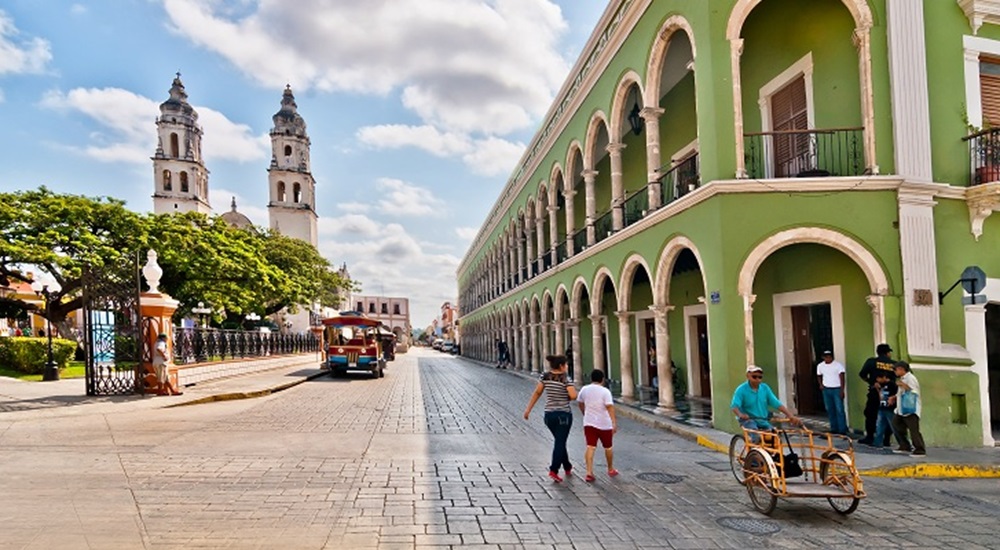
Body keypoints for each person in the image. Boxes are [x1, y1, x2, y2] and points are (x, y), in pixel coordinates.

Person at [524, 354, 578, 482]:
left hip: (549, 415)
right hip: (563, 415)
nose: (567, 366)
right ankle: (554, 469)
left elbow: (537, 392)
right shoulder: (565, 378)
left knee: (560, 441)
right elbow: (573, 395)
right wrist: (568, 397)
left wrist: (528, 409)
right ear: (561, 366)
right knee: (560, 442)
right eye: (566, 364)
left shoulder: (545, 376)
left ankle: (567, 466)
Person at [731, 364, 801, 432]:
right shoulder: (741, 390)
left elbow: (776, 403)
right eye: (754, 377)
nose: (757, 379)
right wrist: (741, 415)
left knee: (775, 437)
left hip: (762, 419)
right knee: (756, 436)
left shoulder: (765, 388)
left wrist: (790, 415)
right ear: (748, 376)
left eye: (760, 377)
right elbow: (734, 406)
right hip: (749, 420)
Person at [577, 369, 618, 482]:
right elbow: (610, 407)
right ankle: (610, 469)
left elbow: (580, 403)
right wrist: (614, 422)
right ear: (602, 379)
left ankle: (589, 472)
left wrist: (584, 413)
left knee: (590, 446)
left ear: (591, 379)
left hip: (589, 422)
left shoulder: (584, 389)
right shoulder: (605, 391)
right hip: (604, 423)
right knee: (608, 447)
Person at [858, 343, 896, 445]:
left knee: (871, 414)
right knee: (888, 415)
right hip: (890, 394)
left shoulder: (871, 362)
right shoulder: (894, 364)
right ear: (887, 353)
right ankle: (886, 439)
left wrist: (872, 382)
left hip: (875, 392)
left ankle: (870, 437)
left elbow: (862, 374)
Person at [891, 361, 926, 457]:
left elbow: (914, 391)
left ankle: (920, 449)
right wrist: (894, 397)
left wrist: (903, 385)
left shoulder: (911, 378)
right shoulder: (903, 378)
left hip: (911, 408)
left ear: (902, 369)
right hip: (902, 408)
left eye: (896, 369)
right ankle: (905, 445)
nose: (895, 371)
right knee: (896, 424)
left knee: (913, 429)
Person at [816, 350, 847, 434]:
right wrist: (821, 384)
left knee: (839, 409)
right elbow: (819, 375)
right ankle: (834, 428)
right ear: (823, 357)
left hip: (836, 388)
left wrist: (842, 390)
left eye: (829, 356)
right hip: (826, 389)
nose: (828, 358)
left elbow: (842, 377)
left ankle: (842, 429)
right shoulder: (820, 366)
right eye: (826, 356)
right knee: (830, 409)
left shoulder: (838, 365)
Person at [871, 371, 898, 449]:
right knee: (879, 426)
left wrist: (893, 399)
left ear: (884, 377)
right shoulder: (881, 386)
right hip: (882, 407)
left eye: (879, 378)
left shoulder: (892, 385)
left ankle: (903, 443)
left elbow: (897, 394)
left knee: (894, 426)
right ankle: (878, 442)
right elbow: (881, 397)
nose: (878, 380)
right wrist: (878, 389)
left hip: (890, 408)